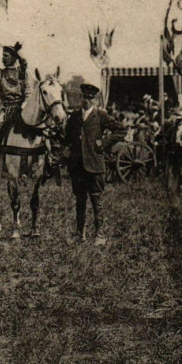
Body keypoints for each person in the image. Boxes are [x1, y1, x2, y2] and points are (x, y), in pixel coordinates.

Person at [60, 84, 126, 245]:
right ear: (80, 98)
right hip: (77, 166)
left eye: (90, 98)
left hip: (95, 165)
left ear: (95, 100)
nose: (87, 101)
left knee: (97, 200)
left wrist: (104, 142)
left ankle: (100, 235)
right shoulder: (74, 117)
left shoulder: (101, 116)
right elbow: (67, 138)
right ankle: (79, 234)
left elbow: (121, 130)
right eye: (85, 97)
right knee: (80, 200)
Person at [0, 42, 30, 145]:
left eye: (6, 56)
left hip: (21, 109)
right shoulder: (0, 73)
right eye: (2, 55)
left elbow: (28, 91)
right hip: (5, 110)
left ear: (13, 58)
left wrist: (25, 103)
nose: (3, 58)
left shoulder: (22, 72)